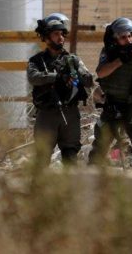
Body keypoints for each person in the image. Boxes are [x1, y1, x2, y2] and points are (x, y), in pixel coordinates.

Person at [88, 17, 132, 169]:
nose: (128, 40)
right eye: (123, 37)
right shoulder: (109, 52)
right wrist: (121, 60)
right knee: (97, 154)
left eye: (130, 36)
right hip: (111, 108)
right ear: (115, 39)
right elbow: (101, 73)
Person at [27, 14, 94, 167]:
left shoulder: (73, 59)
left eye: (62, 34)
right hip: (47, 114)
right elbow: (33, 77)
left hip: (69, 113)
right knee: (42, 158)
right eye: (56, 34)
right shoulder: (37, 61)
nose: (61, 37)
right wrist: (58, 77)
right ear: (46, 38)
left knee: (70, 156)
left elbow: (88, 80)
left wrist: (78, 75)